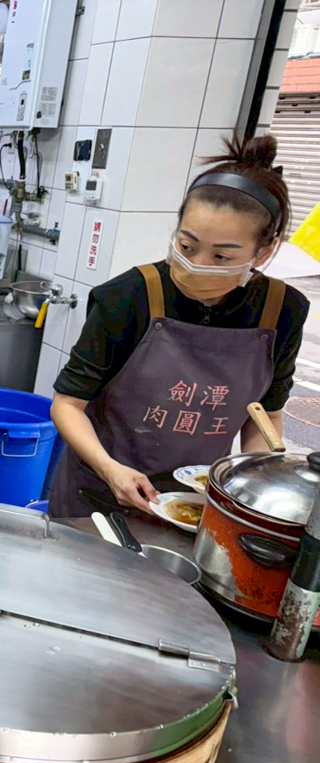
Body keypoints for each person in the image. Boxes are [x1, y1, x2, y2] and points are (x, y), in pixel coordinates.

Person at [48, 134, 308, 518]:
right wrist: (110, 470)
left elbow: (264, 415)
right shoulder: (128, 297)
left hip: (200, 504)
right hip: (100, 494)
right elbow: (68, 404)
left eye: (222, 256)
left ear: (264, 252)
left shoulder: (281, 310)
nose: (197, 264)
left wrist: (255, 488)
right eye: (187, 246)